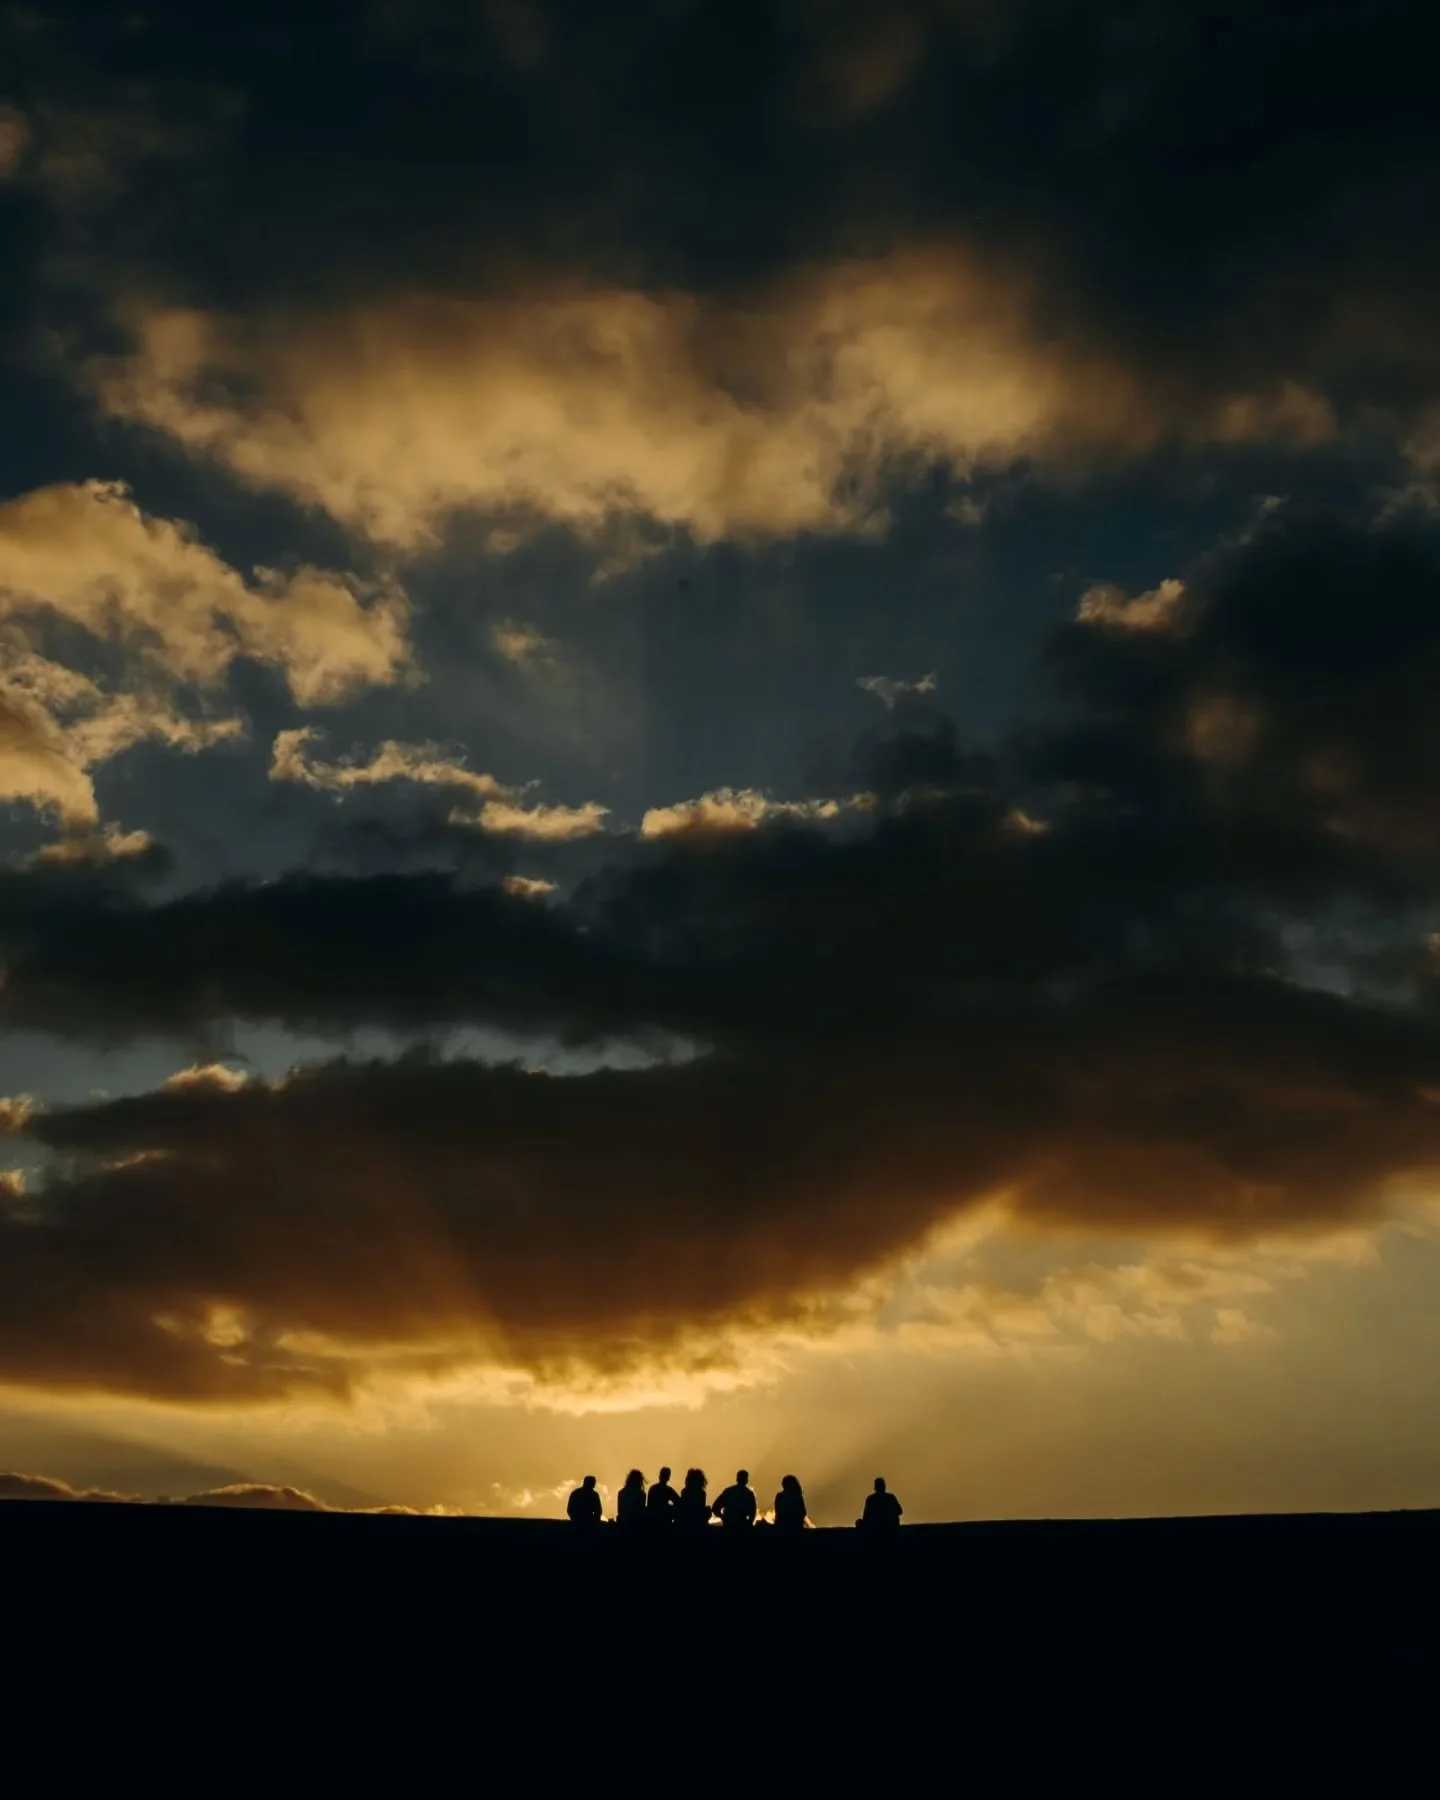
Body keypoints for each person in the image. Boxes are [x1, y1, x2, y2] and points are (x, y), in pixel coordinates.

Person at [675, 1468, 711, 1533]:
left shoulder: (684, 1491)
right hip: (697, 1522)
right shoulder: (702, 1493)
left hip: (686, 1521)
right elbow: (700, 1508)